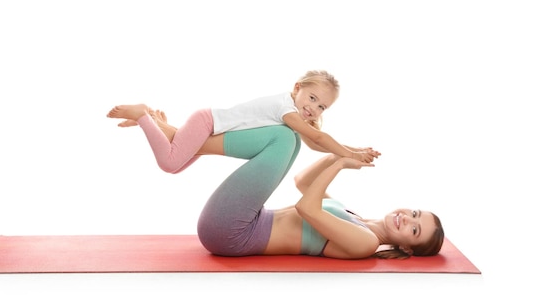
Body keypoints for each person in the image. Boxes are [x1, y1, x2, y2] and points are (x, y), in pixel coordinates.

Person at [123, 112, 444, 260]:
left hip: (232, 233)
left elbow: (307, 208)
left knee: (283, 137)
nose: (408, 218)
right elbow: (303, 183)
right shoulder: (355, 216)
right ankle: (183, 141)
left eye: (414, 230)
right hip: (245, 220)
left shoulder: (366, 243)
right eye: (415, 214)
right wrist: (340, 152)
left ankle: (183, 141)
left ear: (405, 248)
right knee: (291, 139)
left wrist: (343, 163)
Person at [107, 70, 380, 174]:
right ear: (297, 87)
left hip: (208, 124)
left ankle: (153, 122)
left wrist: (354, 150)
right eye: (312, 97)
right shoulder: (286, 108)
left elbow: (314, 142)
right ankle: (143, 115)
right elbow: (319, 138)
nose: (314, 108)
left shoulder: (293, 111)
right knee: (169, 162)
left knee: (176, 164)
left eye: (322, 106)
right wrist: (351, 152)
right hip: (207, 122)